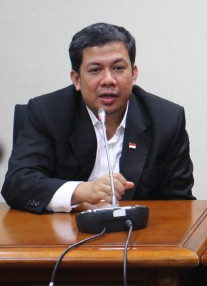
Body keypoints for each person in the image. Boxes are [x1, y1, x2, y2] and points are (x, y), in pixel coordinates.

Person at [2, 23, 195, 213]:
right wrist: (81, 191)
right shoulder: (48, 113)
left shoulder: (167, 119)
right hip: (65, 230)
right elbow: (17, 184)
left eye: (118, 68)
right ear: (76, 79)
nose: (108, 80)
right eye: (95, 70)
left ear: (134, 74)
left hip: (139, 231)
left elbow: (180, 204)